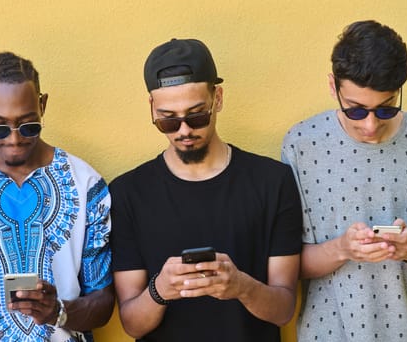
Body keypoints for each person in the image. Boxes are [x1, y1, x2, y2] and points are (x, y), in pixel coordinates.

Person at [281, 20, 407, 341]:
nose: (370, 126)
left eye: (386, 109)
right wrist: (342, 248)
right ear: (333, 86)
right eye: (356, 110)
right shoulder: (301, 144)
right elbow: (289, 265)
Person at [109, 38, 303, 342]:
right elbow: (133, 324)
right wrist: (160, 289)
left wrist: (241, 286)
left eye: (197, 115)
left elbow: (283, 310)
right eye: (168, 120)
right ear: (152, 108)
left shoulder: (273, 181)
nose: (184, 130)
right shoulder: (127, 193)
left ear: (218, 98)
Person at [0, 52, 114, 341]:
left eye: (28, 126)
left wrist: (58, 311)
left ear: (42, 105)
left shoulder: (86, 184)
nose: (14, 139)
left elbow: (103, 304)